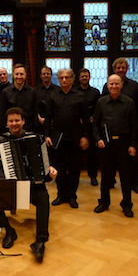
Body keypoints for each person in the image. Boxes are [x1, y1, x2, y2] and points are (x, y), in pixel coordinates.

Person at [0, 107, 58, 263]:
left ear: (23, 121)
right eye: (11, 121)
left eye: (17, 120)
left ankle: (40, 240)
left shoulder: (36, 138)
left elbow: (45, 162)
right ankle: (9, 230)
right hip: (11, 186)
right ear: (7, 123)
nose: (14, 123)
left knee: (43, 199)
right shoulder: (2, 140)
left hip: (33, 185)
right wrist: (5, 179)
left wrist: (50, 170)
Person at [93, 75, 138, 217]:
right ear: (107, 85)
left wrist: (133, 144)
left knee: (126, 176)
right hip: (106, 144)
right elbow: (95, 124)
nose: (114, 86)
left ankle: (127, 205)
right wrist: (98, 139)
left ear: (121, 85)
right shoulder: (101, 102)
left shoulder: (129, 102)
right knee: (106, 175)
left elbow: (134, 125)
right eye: (111, 84)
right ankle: (104, 202)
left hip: (123, 143)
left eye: (116, 84)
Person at [44, 69, 90, 209]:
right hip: (57, 138)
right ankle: (61, 194)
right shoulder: (53, 95)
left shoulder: (80, 96)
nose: (64, 80)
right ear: (58, 79)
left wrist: (85, 136)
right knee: (59, 167)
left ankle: (72, 196)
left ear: (72, 79)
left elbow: (86, 118)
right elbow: (48, 117)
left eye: (67, 77)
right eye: (61, 77)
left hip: (75, 137)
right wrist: (47, 135)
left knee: (74, 168)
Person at [77, 68, 102, 186]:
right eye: (82, 76)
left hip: (91, 125)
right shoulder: (74, 91)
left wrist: (93, 118)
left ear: (89, 77)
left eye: (86, 76)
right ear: (79, 78)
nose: (84, 78)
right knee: (75, 152)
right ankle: (75, 177)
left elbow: (99, 108)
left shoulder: (95, 92)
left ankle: (93, 176)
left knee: (92, 153)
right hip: (77, 125)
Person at [0, 64, 40, 134]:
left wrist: (35, 131)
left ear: (25, 75)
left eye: (21, 74)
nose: (19, 76)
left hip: (28, 130)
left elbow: (35, 112)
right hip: (11, 130)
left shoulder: (32, 92)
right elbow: (2, 113)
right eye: (17, 74)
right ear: (13, 75)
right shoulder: (5, 92)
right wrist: (3, 132)